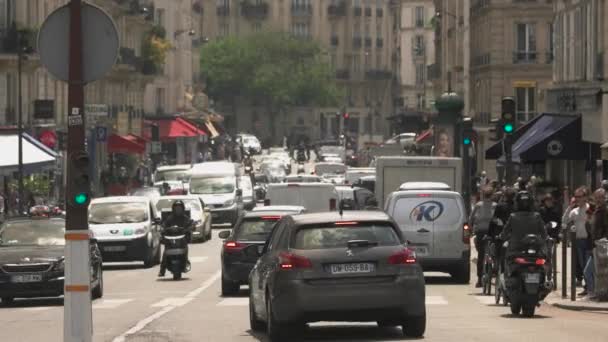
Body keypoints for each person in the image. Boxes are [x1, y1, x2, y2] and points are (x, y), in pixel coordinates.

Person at [499, 191, 548, 275]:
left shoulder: (513, 217)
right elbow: (544, 234)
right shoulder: (537, 216)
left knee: (505, 259)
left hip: (515, 250)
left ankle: (504, 274)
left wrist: (501, 237)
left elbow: (504, 233)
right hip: (535, 250)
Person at [562, 186, 591, 292]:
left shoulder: (589, 208)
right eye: (576, 196)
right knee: (583, 265)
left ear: (585, 197)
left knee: (588, 265)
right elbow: (564, 221)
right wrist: (570, 207)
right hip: (578, 241)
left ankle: (590, 287)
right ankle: (587, 287)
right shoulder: (574, 211)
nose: (577, 199)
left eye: (580, 196)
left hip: (588, 240)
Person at [583, 188, 608, 299]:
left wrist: (603, 241)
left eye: (601, 197)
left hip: (602, 245)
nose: (598, 200)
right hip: (595, 245)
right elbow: (591, 227)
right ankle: (595, 293)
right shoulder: (596, 210)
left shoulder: (605, 210)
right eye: (597, 197)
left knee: (589, 271)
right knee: (595, 272)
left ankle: (593, 294)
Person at [470, 187, 497, 287]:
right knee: (494, 253)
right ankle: (495, 270)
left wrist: (471, 228)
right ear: (492, 195)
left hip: (480, 232)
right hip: (492, 233)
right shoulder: (495, 205)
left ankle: (479, 279)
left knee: (481, 255)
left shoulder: (478, 205)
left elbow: (471, 218)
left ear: (482, 195)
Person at [159, 200, 193, 277]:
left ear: (183, 209)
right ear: (173, 209)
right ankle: (162, 270)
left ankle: (185, 261)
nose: (178, 210)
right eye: (176, 208)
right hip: (171, 240)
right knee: (165, 253)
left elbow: (190, 224)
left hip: (181, 240)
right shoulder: (170, 218)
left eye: (179, 208)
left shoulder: (185, 218)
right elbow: (164, 225)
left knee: (185, 248)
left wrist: (190, 227)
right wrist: (163, 228)